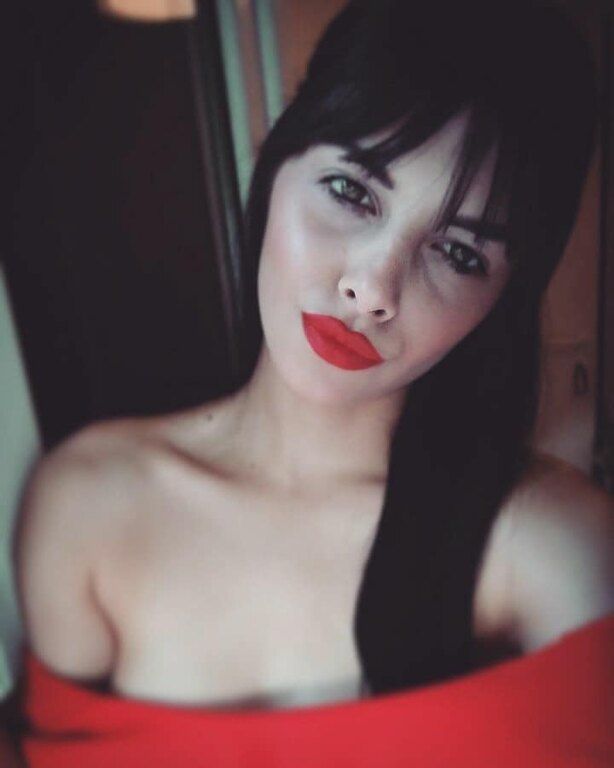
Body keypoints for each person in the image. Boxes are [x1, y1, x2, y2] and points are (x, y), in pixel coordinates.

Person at [13, 0, 614, 765]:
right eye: (352, 192)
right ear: (277, 166)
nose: (372, 288)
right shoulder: (87, 503)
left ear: (500, 302)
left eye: (460, 254)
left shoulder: (555, 545)